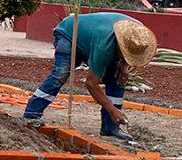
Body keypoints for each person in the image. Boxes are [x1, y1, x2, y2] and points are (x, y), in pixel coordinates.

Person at [23, 13, 156, 140]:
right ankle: (32, 114)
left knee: (118, 78)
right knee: (61, 74)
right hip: (69, 33)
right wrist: (112, 110)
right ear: (119, 47)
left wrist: (123, 66)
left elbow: (128, 53)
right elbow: (91, 84)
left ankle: (110, 127)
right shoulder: (104, 47)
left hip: (93, 37)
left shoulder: (139, 35)